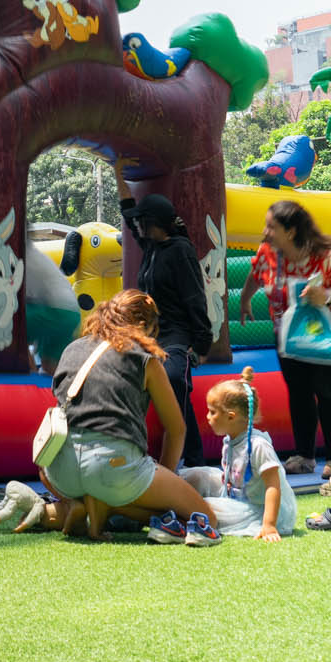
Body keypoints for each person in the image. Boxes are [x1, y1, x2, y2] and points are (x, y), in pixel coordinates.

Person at [0, 291, 219, 546]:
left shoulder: (72, 349)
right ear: (144, 326)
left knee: (101, 487)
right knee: (205, 519)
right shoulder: (145, 359)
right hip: (112, 466)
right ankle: (107, 507)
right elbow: (176, 430)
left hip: (58, 469)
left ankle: (77, 505)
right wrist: (165, 488)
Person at [236, 199, 331, 476]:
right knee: (298, 391)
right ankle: (304, 455)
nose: (265, 232)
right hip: (290, 333)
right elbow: (256, 274)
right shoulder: (268, 253)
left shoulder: (329, 257)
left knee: (329, 390)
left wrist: (327, 295)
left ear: (291, 231)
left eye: (271, 227)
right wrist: (245, 299)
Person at [119, 193, 212, 466]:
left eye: (142, 221)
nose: (137, 225)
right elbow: (128, 215)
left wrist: (202, 343)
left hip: (176, 334)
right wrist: (119, 175)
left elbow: (195, 297)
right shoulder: (151, 247)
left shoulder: (180, 250)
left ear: (154, 223)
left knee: (173, 379)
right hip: (149, 335)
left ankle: (194, 459)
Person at [180, 367, 296, 541]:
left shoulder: (258, 446)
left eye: (213, 412)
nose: (208, 416)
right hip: (235, 494)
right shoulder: (230, 440)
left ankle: (172, 516)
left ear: (231, 417)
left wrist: (269, 525)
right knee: (197, 474)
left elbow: (273, 486)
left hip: (257, 510)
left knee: (203, 506)